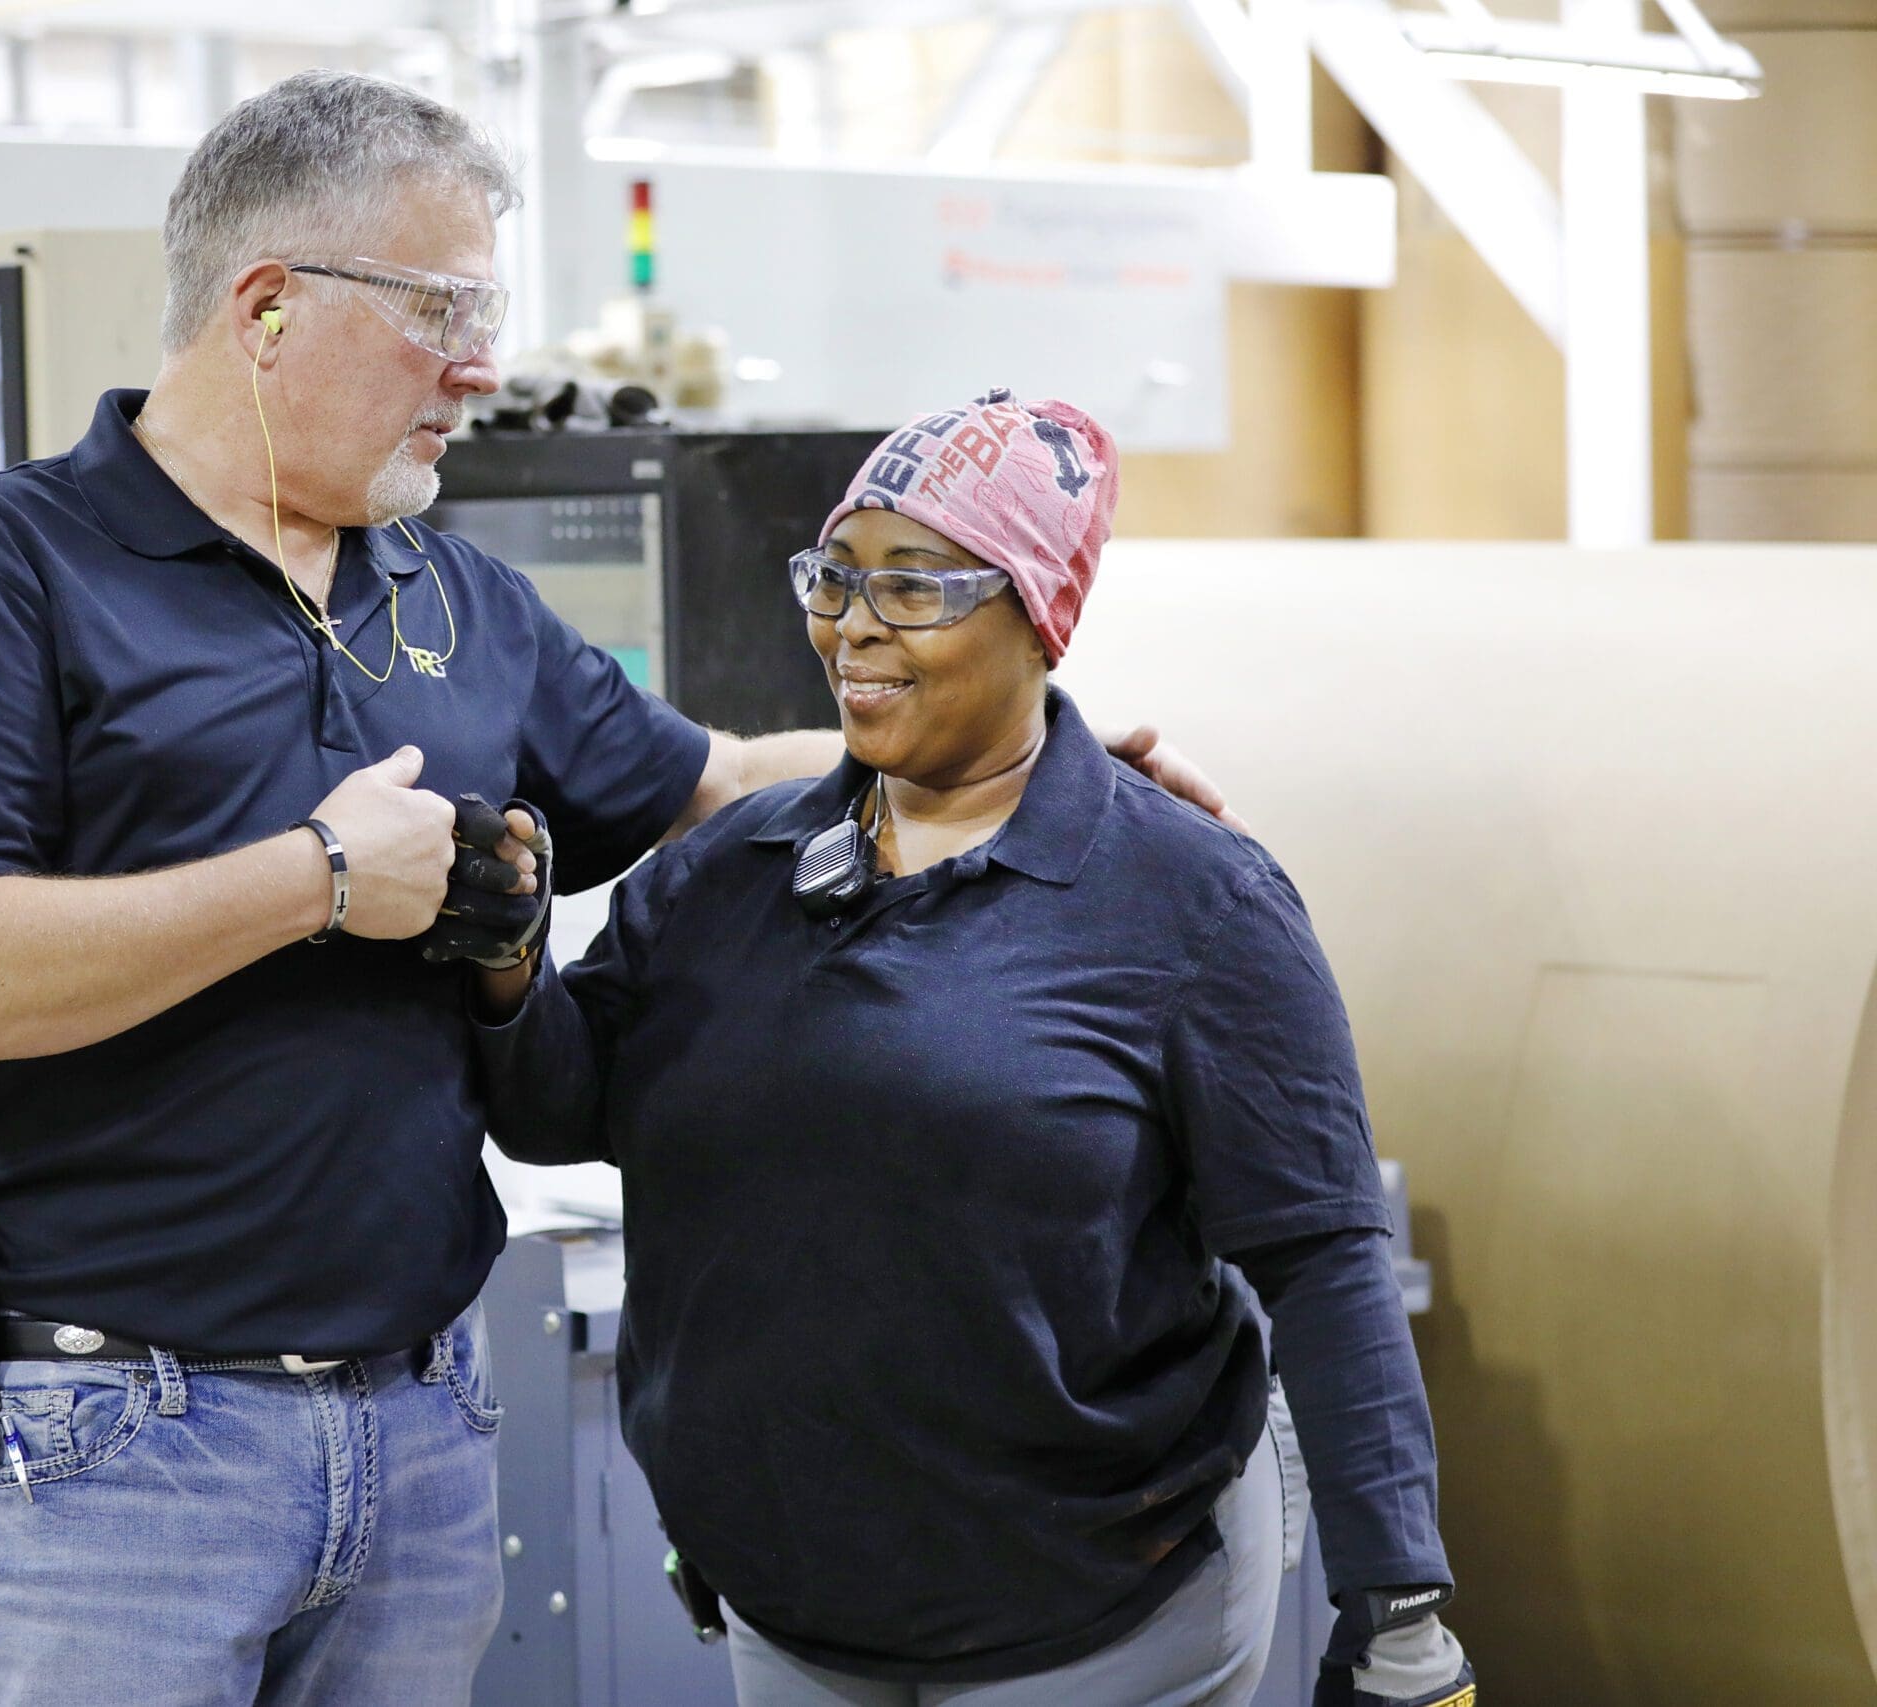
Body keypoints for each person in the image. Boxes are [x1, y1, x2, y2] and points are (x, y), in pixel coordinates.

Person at [0, 71, 1234, 1707]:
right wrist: (314, 881)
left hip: (421, 1423)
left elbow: (713, 778)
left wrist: (1010, 759)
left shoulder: (452, 594)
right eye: (441, 311)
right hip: (123, 1445)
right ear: (268, 307)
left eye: (483, 316)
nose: (480, 369)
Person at [470, 391, 1475, 1707]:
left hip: (1095, 1615)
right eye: (835, 577)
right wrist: (506, 963)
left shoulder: (1190, 900)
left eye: (915, 587)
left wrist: (1398, 1605)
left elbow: (1323, 1258)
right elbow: (562, 1111)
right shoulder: (727, 873)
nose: (853, 626)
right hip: (795, 1617)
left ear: (1039, 617)